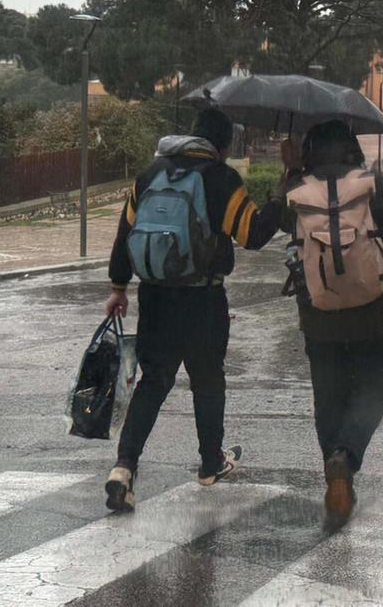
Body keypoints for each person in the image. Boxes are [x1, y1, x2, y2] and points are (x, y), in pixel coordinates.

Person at [103, 108, 284, 512]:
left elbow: (124, 233)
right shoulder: (221, 178)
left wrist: (118, 287)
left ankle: (124, 468)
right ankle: (209, 463)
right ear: (223, 145)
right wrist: (278, 198)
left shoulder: (150, 173)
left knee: (154, 382)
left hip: (155, 296)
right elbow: (253, 235)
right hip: (203, 298)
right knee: (207, 380)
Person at [280, 119, 383, 522]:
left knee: (328, 398)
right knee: (374, 391)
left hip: (319, 317)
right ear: (352, 146)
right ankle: (345, 457)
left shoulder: (297, 189)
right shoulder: (372, 185)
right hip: (372, 313)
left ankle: (336, 476)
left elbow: (269, 226)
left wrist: (289, 173)